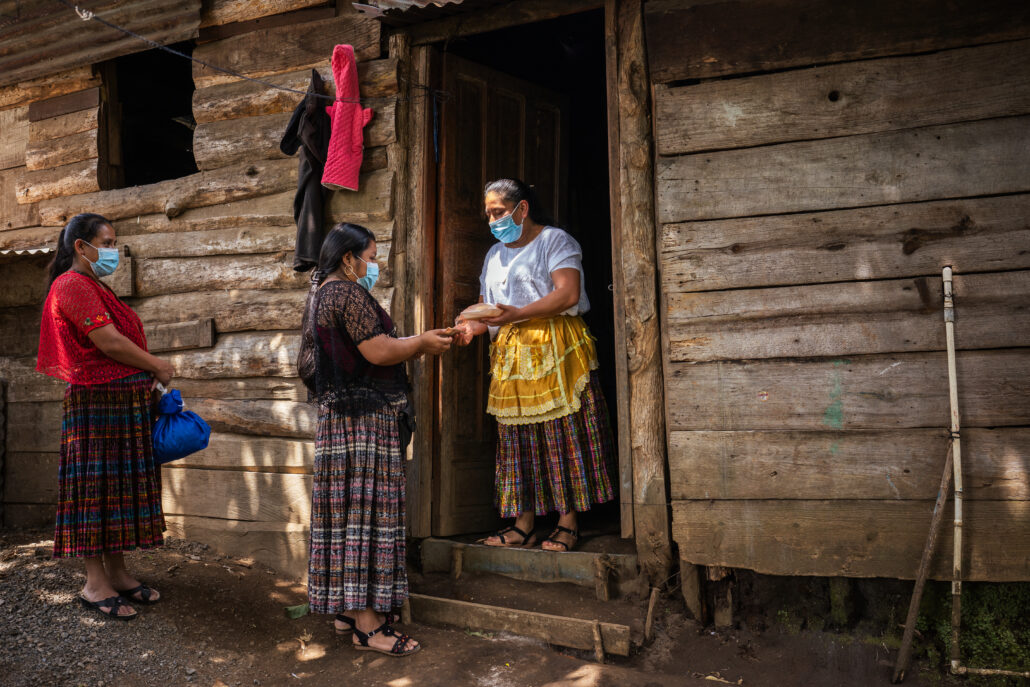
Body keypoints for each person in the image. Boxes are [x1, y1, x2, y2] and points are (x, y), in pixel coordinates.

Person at [303, 222, 453, 656]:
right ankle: (368, 626)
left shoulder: (322, 292)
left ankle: (347, 610)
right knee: (367, 516)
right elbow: (378, 351)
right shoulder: (345, 293)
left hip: (343, 423)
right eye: (370, 256)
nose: (375, 264)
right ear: (348, 259)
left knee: (349, 515)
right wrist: (421, 343)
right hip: (362, 422)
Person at [455, 179, 616, 553]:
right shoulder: (494, 255)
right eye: (489, 214)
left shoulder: (554, 241)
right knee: (517, 441)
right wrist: (467, 328)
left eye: (499, 211)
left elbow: (568, 293)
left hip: (555, 346)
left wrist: (516, 314)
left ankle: (567, 521)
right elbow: (488, 309)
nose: (493, 220)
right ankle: (523, 524)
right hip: (512, 358)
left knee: (561, 434)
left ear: (522, 209)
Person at [36, 213, 174, 620]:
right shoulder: (72, 285)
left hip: (119, 406)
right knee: (96, 492)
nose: (113, 251)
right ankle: (94, 584)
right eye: (108, 243)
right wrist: (157, 366)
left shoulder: (93, 285)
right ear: (81, 247)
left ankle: (117, 573)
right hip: (96, 407)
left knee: (117, 490)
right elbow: (108, 341)